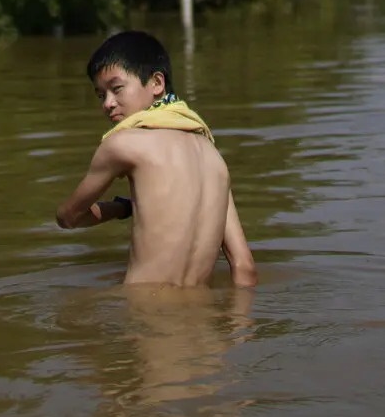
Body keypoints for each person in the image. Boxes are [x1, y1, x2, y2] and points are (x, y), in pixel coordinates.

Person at [55, 31, 258, 287]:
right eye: (100, 95)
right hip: (201, 311)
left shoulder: (122, 144)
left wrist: (122, 208)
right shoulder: (214, 158)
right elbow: (244, 267)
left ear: (156, 83)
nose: (107, 103)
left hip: (144, 308)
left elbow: (68, 217)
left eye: (116, 89)